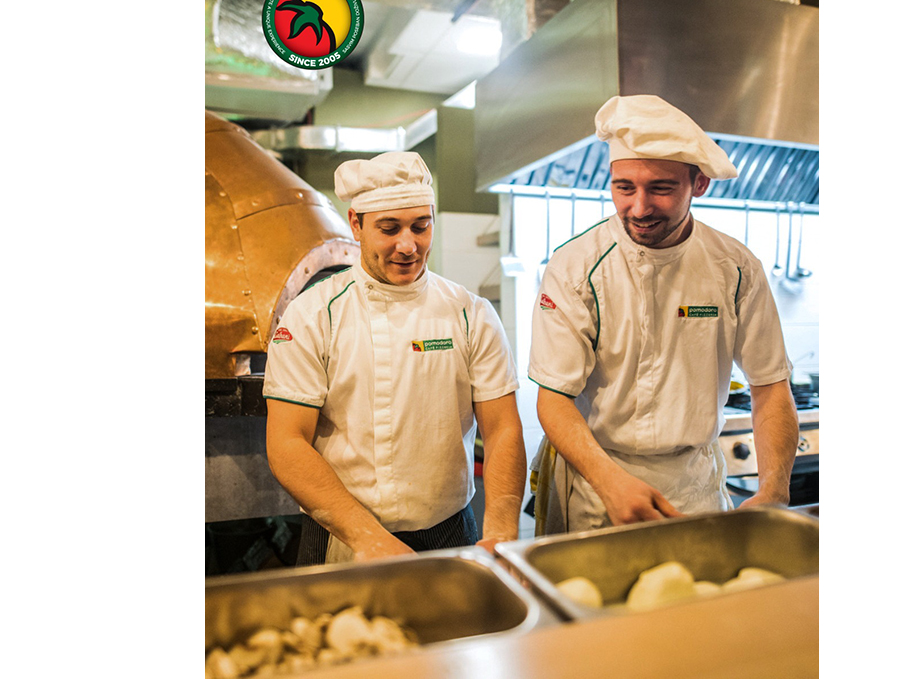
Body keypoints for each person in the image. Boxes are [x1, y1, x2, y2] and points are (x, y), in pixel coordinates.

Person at [528, 95, 799, 534]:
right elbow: (554, 399)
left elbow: (769, 386)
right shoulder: (575, 266)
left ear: (699, 184)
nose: (639, 208)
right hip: (599, 484)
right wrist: (611, 483)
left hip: (695, 488)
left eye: (660, 188)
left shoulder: (736, 268)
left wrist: (773, 490)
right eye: (624, 188)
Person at [263, 151, 527, 565]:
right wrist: (366, 536)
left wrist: (501, 530)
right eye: (389, 229)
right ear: (356, 224)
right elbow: (286, 442)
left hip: (450, 531)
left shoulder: (469, 313)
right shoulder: (313, 315)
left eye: (421, 226)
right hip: (343, 534)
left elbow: (502, 429)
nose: (408, 245)